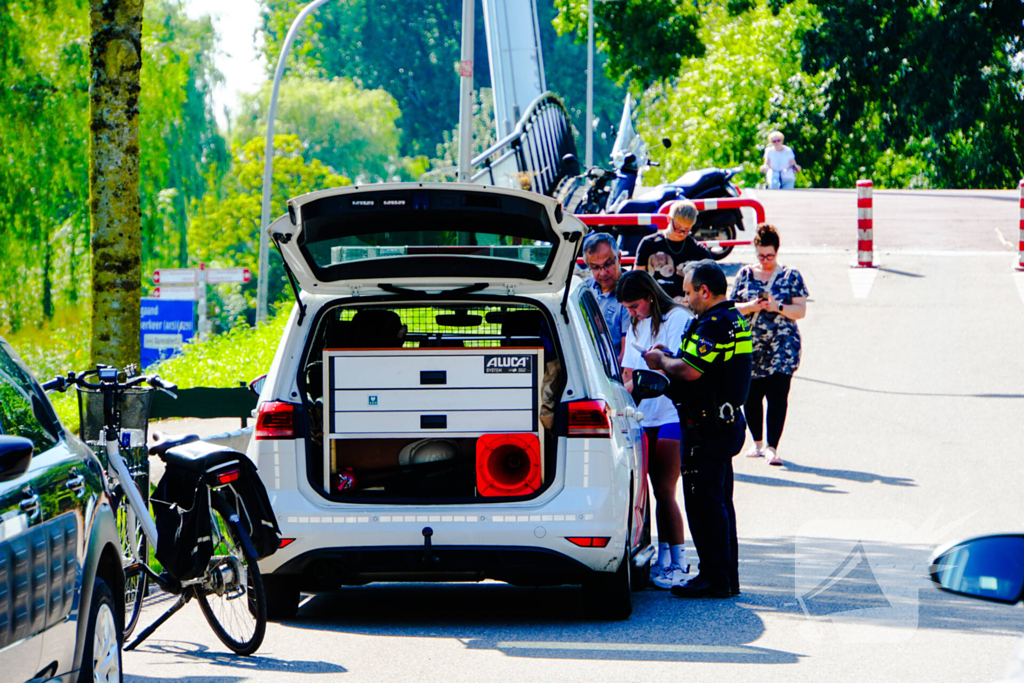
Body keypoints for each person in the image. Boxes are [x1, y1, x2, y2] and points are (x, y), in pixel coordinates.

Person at [642, 260, 752, 599]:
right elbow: (704, 364)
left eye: (689, 293)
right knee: (720, 503)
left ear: (705, 291)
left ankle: (715, 577)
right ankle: (725, 575)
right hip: (723, 422)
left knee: (705, 505)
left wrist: (662, 361)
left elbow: (690, 371)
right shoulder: (733, 321)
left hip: (707, 427)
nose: (685, 298)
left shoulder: (714, 324)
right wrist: (672, 355)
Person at [616, 269, 693, 589]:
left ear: (649, 296)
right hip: (643, 415)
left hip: (672, 413)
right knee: (644, 492)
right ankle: (659, 557)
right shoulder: (636, 323)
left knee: (665, 489)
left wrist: (657, 360)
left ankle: (679, 560)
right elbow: (629, 372)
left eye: (634, 306)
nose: (631, 313)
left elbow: (677, 365)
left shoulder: (677, 317)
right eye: (627, 308)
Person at [731, 223, 808, 467]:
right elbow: (732, 307)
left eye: (770, 256)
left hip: (782, 345)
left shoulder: (790, 275)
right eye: (761, 256)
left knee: (778, 395)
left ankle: (773, 447)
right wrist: (752, 306)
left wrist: (777, 306)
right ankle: (757, 442)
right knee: (751, 395)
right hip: (751, 344)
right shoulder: (745, 274)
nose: (765, 260)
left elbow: (800, 311)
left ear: (777, 252)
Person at [636, 200, 713, 301]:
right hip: (653, 304)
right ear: (669, 219)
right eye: (677, 227)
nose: (681, 233)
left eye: (686, 230)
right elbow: (637, 279)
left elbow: (713, 283)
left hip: (685, 307)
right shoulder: (649, 244)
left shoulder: (698, 250)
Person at [581, 232, 630, 363]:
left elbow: (626, 357)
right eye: (595, 267)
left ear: (619, 258)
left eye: (608, 264)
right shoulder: (584, 289)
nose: (603, 273)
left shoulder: (631, 296)